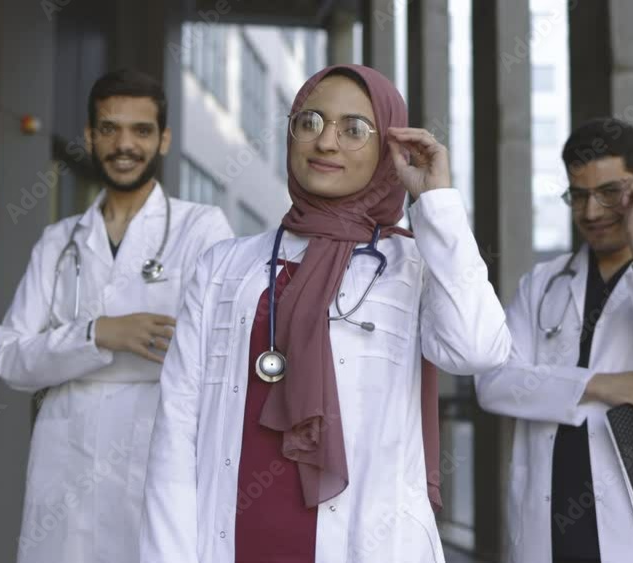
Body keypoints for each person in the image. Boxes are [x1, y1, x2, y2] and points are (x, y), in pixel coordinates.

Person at [139, 64, 512, 563]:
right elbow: (177, 429)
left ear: (388, 149)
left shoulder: (414, 264)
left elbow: (478, 349)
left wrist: (437, 203)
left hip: (365, 543)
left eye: (354, 129)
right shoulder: (225, 266)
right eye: (310, 121)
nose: (327, 142)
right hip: (233, 537)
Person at [0, 69, 233, 563]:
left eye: (141, 130)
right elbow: (10, 358)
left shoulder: (202, 229)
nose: (125, 144)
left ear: (163, 139)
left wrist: (62, 350)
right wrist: (100, 334)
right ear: (89, 136)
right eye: (109, 128)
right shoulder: (58, 242)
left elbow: (220, 355)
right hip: (65, 460)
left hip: (157, 453)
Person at [474, 117, 633, 563]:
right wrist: (599, 384)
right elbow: (494, 383)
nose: (592, 212)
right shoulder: (542, 283)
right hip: (554, 526)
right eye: (579, 196)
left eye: (611, 193)